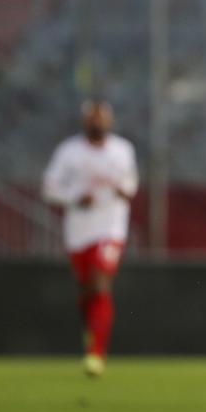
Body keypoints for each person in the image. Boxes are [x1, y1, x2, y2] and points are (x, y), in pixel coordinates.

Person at [42, 100, 138, 376]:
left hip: (110, 227)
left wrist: (125, 190)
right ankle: (92, 333)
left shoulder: (122, 149)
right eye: (92, 119)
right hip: (78, 230)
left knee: (99, 282)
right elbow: (49, 188)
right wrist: (73, 197)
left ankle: (96, 354)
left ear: (109, 121)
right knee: (86, 290)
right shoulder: (69, 152)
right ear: (85, 122)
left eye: (101, 118)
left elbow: (131, 181)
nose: (97, 123)